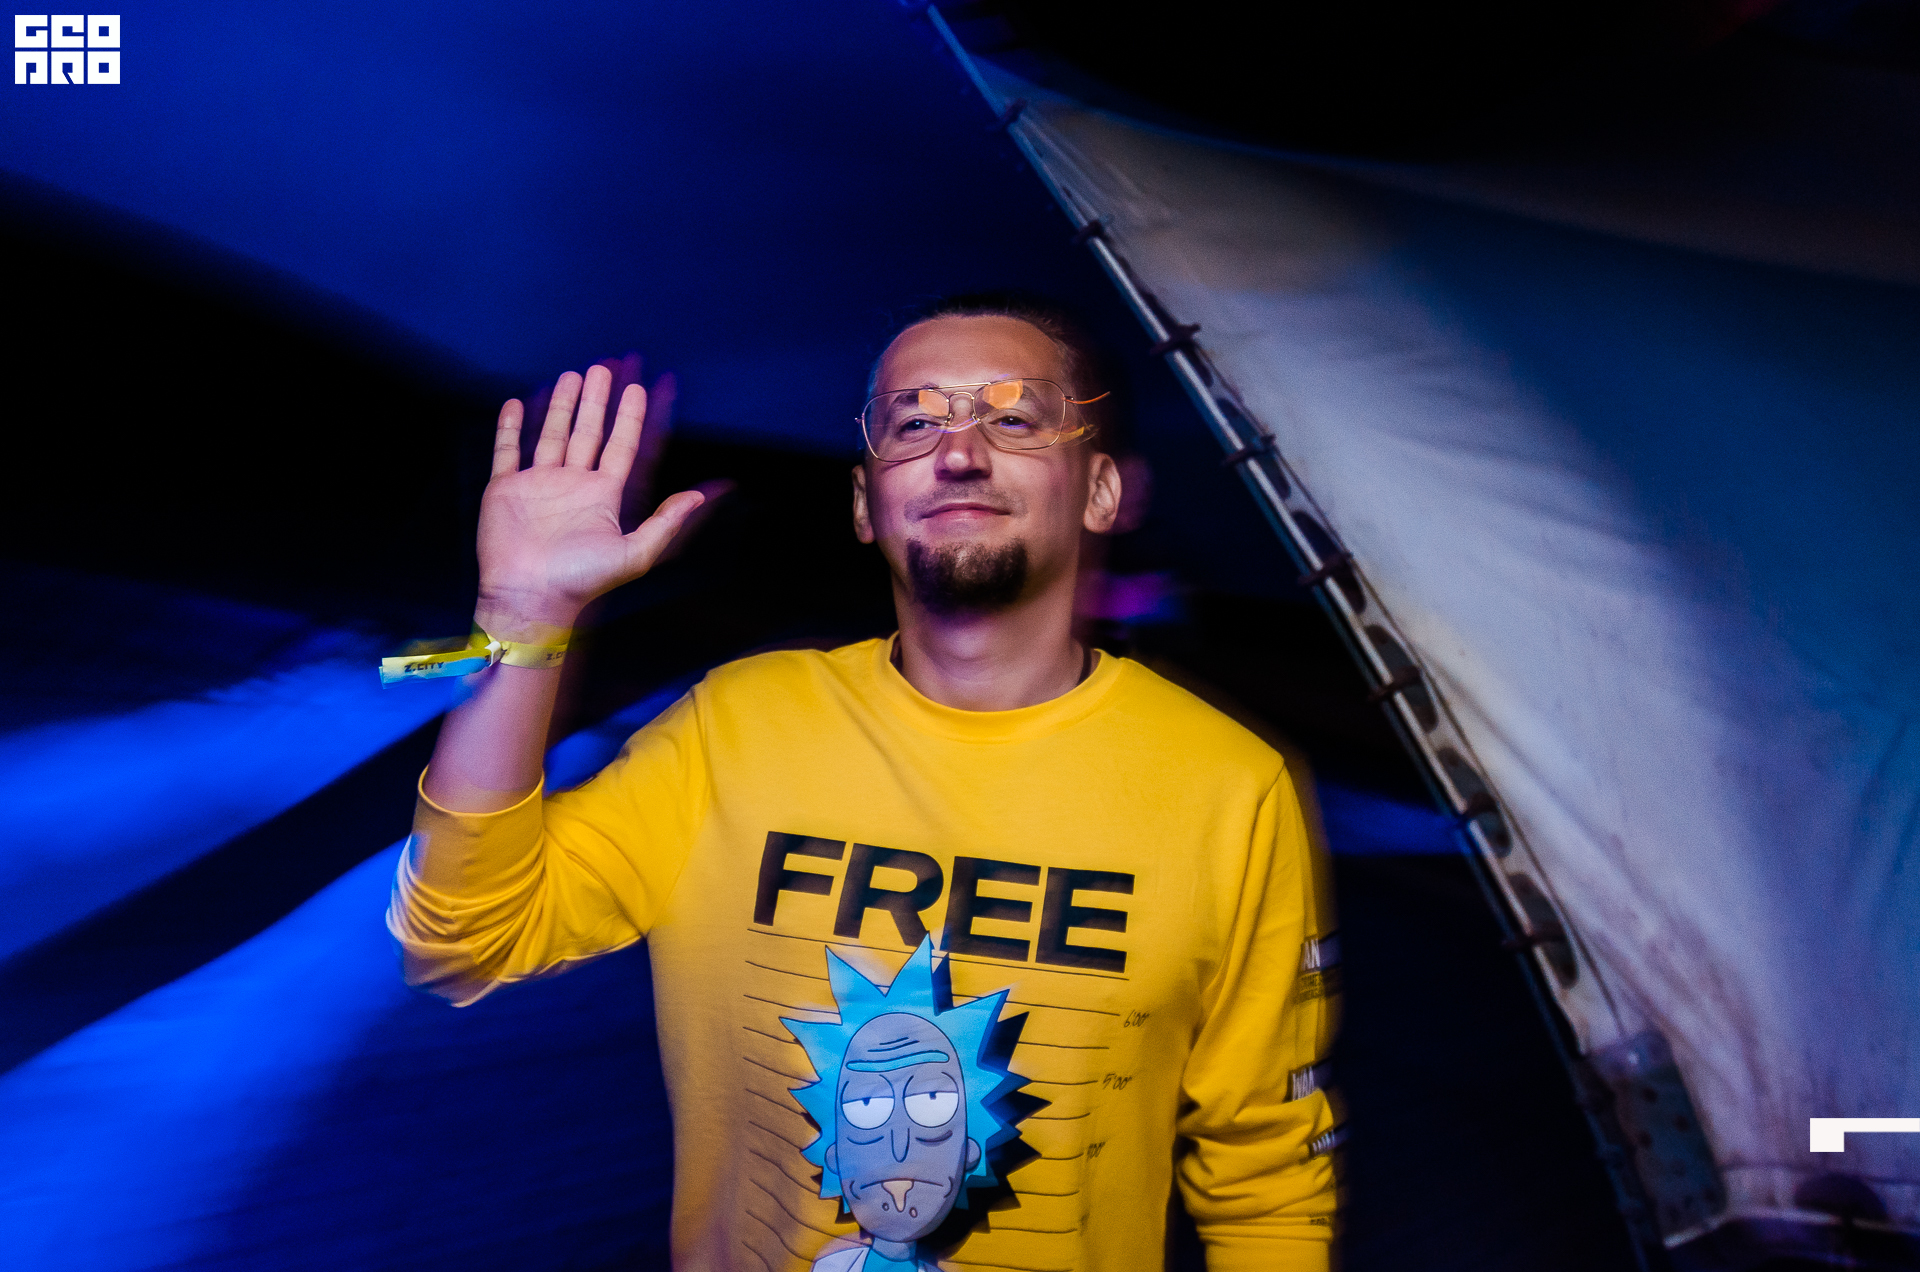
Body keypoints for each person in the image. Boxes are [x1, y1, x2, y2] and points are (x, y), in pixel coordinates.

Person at [387, 295, 1340, 1271]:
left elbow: (1265, 1178)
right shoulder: (736, 728)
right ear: (863, 503)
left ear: (1099, 491)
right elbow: (463, 936)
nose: (958, 451)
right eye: (913, 423)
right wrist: (524, 615)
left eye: (1014, 418)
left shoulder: (1230, 787)